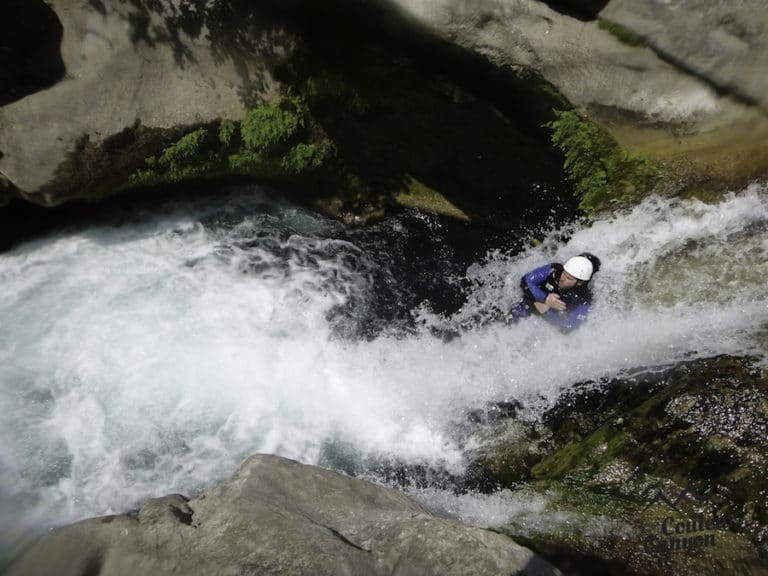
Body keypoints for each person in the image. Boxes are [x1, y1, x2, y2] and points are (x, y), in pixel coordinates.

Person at [508, 253, 601, 332]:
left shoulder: (583, 298)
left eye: (569, 278)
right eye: (564, 273)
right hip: (527, 307)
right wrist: (545, 298)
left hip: (547, 326)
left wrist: (546, 311)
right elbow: (525, 281)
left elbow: (570, 327)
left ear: (580, 282)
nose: (563, 279)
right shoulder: (554, 270)